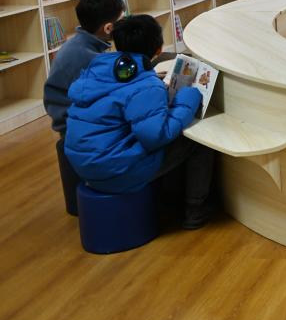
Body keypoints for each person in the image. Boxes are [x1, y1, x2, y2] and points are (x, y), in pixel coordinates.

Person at [64, 15, 216, 229]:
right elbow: (156, 137)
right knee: (197, 141)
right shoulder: (145, 85)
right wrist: (187, 99)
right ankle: (195, 211)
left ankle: (169, 196)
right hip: (114, 171)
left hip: (83, 164)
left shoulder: (98, 68)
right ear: (158, 49)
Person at [43, 0, 124, 214]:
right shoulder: (87, 57)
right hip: (71, 123)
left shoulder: (80, 43)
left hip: (67, 115)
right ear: (108, 28)